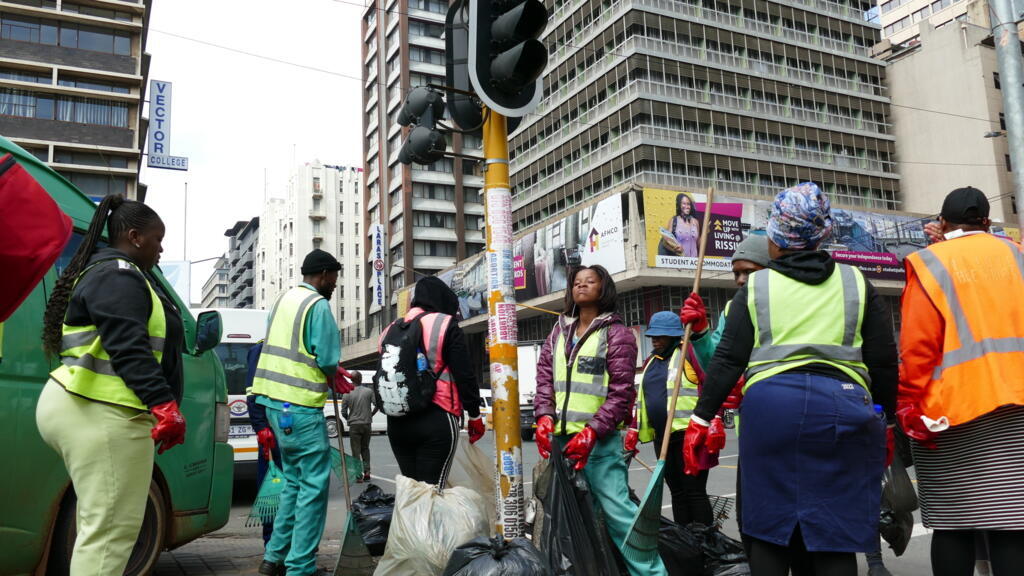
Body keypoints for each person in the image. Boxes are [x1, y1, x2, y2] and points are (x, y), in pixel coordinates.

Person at [683, 183, 897, 576]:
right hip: (844, 409)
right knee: (834, 533)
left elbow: (729, 359)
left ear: (776, 240)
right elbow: (884, 362)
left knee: (768, 530)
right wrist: (887, 419)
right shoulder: (856, 283)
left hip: (770, 412)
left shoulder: (757, 288)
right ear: (823, 234)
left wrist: (700, 418)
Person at [36, 195, 186, 576]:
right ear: (135, 236)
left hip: (86, 406)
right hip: (102, 411)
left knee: (99, 528)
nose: (161, 247)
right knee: (110, 535)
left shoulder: (109, 273)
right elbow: (128, 346)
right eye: (157, 238)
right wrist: (164, 404)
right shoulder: (120, 274)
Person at [898, 186, 1024, 576]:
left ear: (941, 222)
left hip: (951, 412)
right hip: (1017, 408)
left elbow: (917, 346)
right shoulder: (1018, 255)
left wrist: (906, 403)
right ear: (986, 221)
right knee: (1012, 524)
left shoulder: (928, 263)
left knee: (953, 524)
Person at [534, 265, 668, 576]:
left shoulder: (617, 334)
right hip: (564, 442)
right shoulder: (558, 331)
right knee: (576, 520)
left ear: (603, 289)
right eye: (576, 282)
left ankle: (652, 573)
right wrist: (543, 416)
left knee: (619, 516)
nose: (581, 286)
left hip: (601, 446)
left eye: (589, 282)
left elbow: (621, 394)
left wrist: (592, 433)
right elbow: (544, 379)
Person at [252, 249, 345, 576]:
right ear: (322, 274)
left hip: (276, 407)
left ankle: (273, 558)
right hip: (302, 408)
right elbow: (327, 359)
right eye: (333, 278)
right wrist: (334, 372)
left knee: (293, 481)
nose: (334, 285)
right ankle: (300, 567)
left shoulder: (283, 300)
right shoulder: (317, 306)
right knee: (313, 488)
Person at [383, 276, 485, 487]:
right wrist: (474, 414)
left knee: (411, 492)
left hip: (397, 422)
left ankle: (408, 522)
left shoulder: (390, 330)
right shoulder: (445, 324)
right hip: (436, 417)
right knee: (432, 491)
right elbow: (464, 375)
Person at [625, 310, 719, 526]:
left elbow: (711, 384)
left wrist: (715, 419)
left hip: (690, 436)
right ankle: (687, 540)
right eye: (653, 336)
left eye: (661, 336)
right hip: (663, 438)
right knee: (677, 492)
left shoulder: (689, 354)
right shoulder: (650, 362)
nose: (655, 340)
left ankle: (705, 542)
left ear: (674, 335)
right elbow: (642, 399)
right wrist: (633, 428)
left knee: (694, 491)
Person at [244, 340, 283, 547]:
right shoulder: (260, 350)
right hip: (272, 433)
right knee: (272, 488)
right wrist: (261, 427)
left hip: (293, 430)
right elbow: (253, 392)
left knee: (295, 492)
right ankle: (272, 544)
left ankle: (294, 543)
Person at [341, 370, 376, 483]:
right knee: (365, 448)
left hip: (354, 425)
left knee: (355, 451)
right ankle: (367, 473)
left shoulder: (347, 393)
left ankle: (358, 476)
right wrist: (370, 415)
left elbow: (343, 412)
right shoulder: (369, 391)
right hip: (366, 424)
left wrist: (349, 419)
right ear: (361, 379)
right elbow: (377, 405)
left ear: (351, 380)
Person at [660, 192, 701, 257]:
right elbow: (665, 242)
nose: (687, 206)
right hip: (680, 262)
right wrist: (675, 250)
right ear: (679, 205)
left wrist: (706, 232)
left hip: (694, 263)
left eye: (688, 204)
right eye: (684, 204)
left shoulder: (695, 222)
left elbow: (699, 244)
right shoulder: (674, 220)